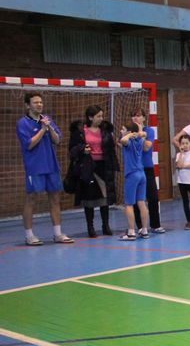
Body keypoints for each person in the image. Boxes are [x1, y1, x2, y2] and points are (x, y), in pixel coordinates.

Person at [16, 91, 73, 245]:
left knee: (55, 198)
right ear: (28, 105)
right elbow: (29, 144)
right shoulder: (22, 123)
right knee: (31, 199)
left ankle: (58, 234)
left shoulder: (47, 120)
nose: (39, 105)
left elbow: (57, 140)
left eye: (41, 102)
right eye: (35, 102)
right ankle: (29, 236)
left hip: (51, 166)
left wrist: (49, 128)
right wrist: (42, 130)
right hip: (34, 167)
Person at [69, 105, 118, 237]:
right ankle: (90, 227)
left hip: (103, 166)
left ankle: (105, 225)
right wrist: (82, 150)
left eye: (102, 116)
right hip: (88, 166)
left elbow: (111, 148)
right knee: (89, 198)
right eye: (98, 116)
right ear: (90, 117)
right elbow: (72, 149)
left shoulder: (105, 131)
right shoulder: (80, 131)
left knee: (104, 197)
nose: (101, 118)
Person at [131, 108, 165, 234]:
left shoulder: (149, 131)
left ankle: (156, 225)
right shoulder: (129, 132)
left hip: (147, 168)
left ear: (144, 118)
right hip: (134, 169)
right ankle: (140, 226)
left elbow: (146, 147)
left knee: (153, 197)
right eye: (133, 116)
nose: (136, 118)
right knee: (136, 199)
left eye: (138, 116)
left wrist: (140, 132)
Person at [118, 122, 151, 241]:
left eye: (123, 129)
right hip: (142, 174)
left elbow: (122, 141)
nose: (121, 132)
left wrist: (129, 134)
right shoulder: (140, 140)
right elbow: (143, 133)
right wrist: (138, 132)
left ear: (129, 132)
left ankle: (131, 232)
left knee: (129, 204)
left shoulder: (129, 141)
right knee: (141, 202)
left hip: (132, 175)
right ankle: (144, 229)